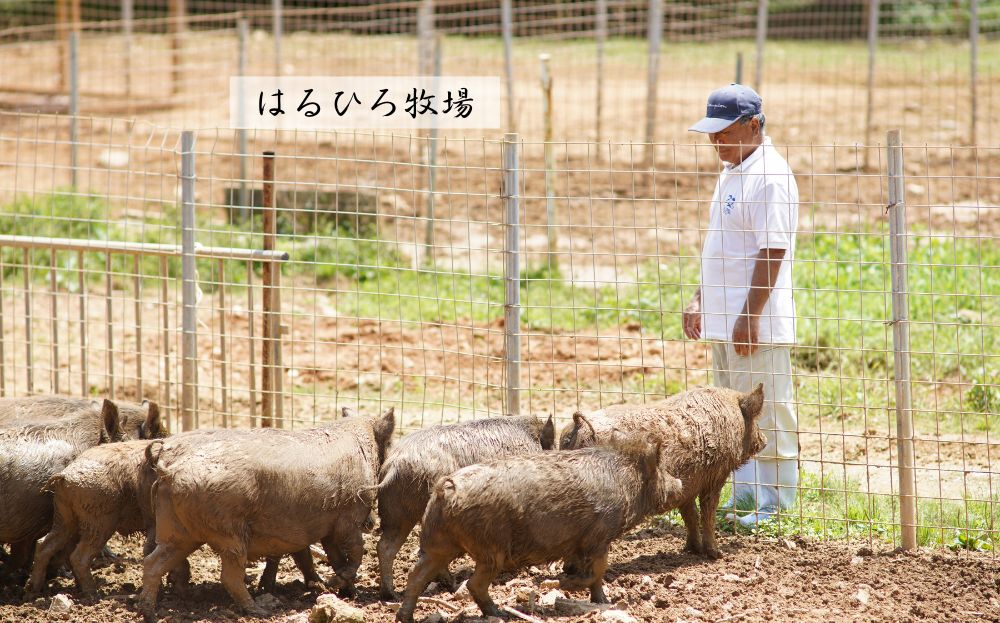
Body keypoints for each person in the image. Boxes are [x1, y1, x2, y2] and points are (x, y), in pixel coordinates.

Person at [684, 84, 799, 526]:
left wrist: (750, 316)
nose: (716, 142)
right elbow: (721, 248)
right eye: (712, 134)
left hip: (754, 322)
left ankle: (776, 503)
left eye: (724, 133)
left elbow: (773, 250)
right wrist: (700, 298)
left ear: (753, 126)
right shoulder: (734, 169)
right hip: (726, 319)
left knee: (767, 409)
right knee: (735, 415)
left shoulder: (769, 175)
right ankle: (746, 497)